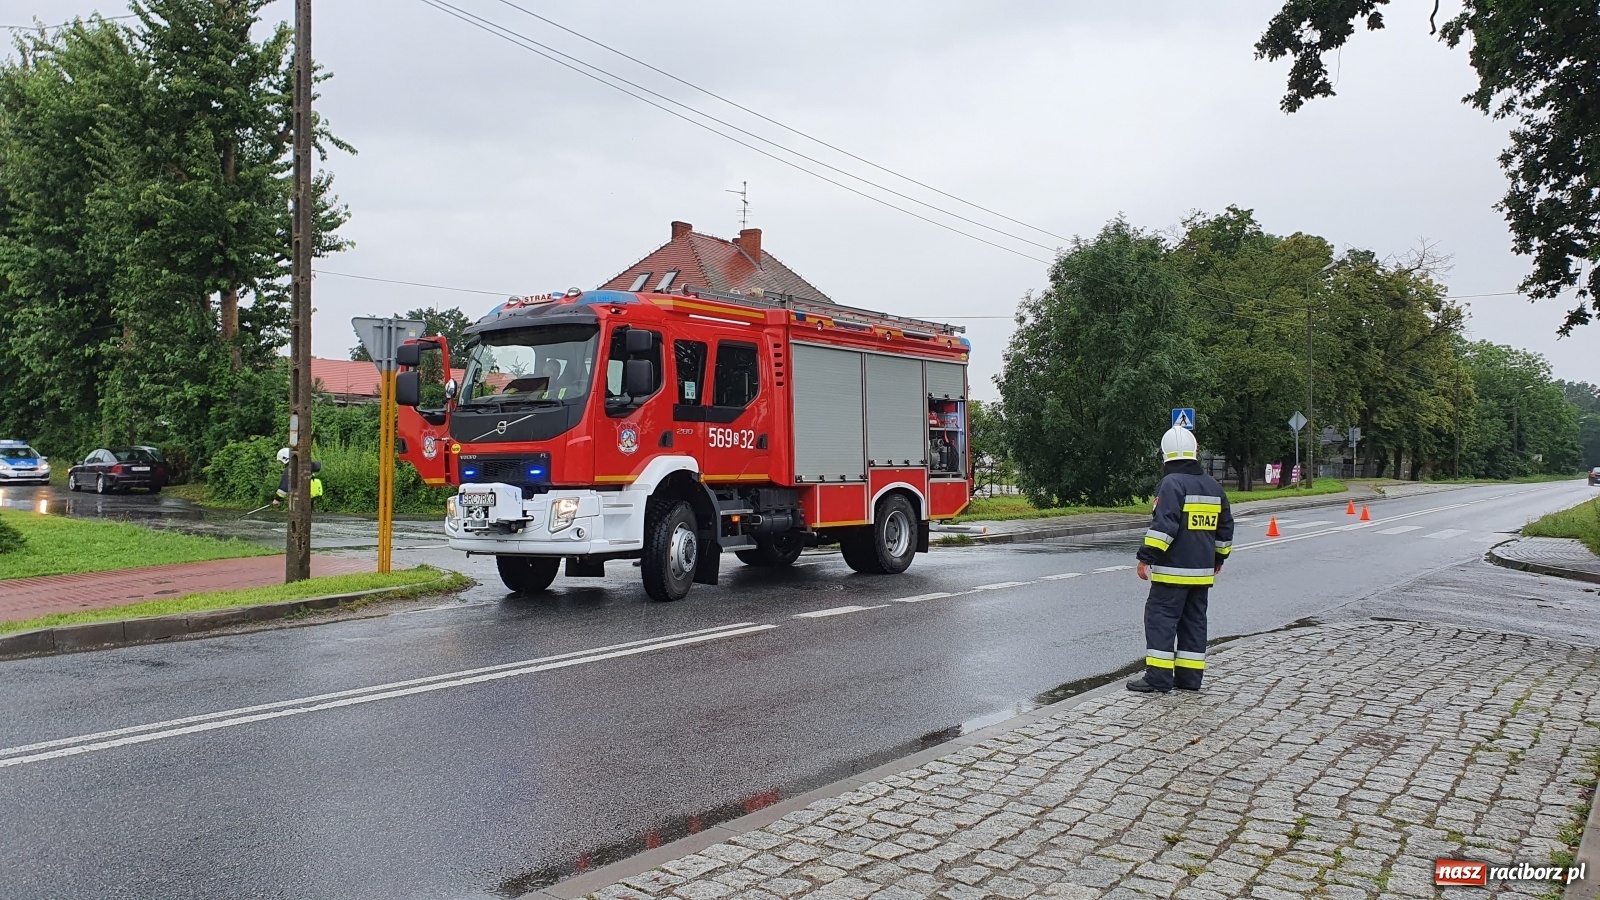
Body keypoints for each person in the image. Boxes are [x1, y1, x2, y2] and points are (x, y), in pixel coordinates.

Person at [1128, 425, 1234, 694]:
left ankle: (1159, 677)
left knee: (1160, 620)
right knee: (1194, 623)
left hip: (1172, 572)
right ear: (1195, 451)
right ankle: (1189, 678)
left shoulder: (1171, 484)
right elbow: (1225, 529)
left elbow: (1165, 526)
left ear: (1165, 454)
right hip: (1201, 573)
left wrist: (1145, 557)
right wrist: (1219, 558)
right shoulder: (1213, 486)